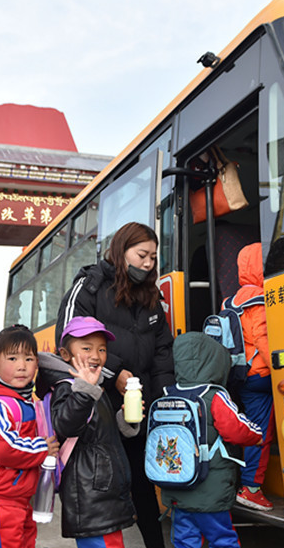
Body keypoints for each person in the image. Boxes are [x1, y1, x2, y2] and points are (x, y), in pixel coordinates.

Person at [56, 222, 174, 548]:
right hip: (98, 406)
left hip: (137, 405)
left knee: (142, 481)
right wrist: (115, 372)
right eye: (142, 255)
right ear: (121, 251)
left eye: (153, 257)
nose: (148, 263)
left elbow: (163, 352)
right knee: (102, 484)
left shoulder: (151, 297)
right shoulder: (90, 287)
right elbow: (68, 337)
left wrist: (163, 397)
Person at [37, 316, 138, 547]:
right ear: (65, 354)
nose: (96, 355)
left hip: (101, 491)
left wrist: (125, 419)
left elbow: (99, 432)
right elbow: (65, 425)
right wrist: (84, 392)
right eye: (86, 348)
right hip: (90, 492)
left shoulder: (93, 384)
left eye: (102, 349)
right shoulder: (68, 386)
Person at [160, 332, 262, 548]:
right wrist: (257, 436)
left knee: (185, 540)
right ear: (216, 363)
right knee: (222, 538)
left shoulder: (168, 394)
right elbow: (236, 430)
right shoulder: (214, 395)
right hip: (209, 487)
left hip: (177, 484)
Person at [0, 324, 59, 548]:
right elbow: (4, 449)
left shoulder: (26, 403)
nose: (22, 366)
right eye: (12, 358)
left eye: (29, 359)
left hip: (21, 500)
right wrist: (42, 448)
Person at [230, 242, 277, 511]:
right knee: (261, 432)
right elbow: (262, 338)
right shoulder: (260, 299)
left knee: (253, 427)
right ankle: (251, 489)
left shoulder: (232, 301)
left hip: (242, 375)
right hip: (262, 374)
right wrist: (281, 368)